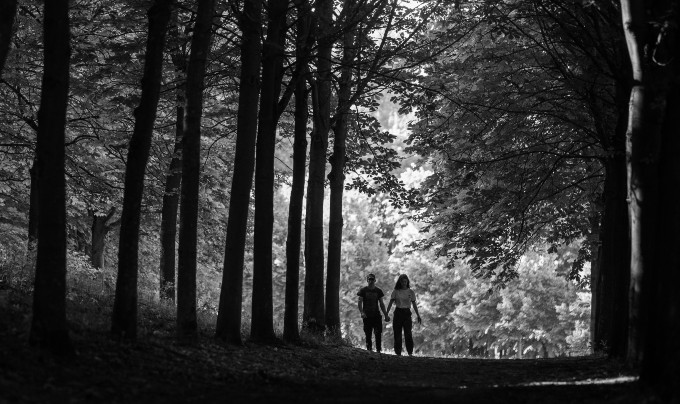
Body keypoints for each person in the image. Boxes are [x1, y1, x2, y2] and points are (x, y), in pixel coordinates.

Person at [386, 274, 421, 356]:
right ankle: (398, 353)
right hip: (398, 312)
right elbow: (390, 303)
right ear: (400, 282)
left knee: (408, 333)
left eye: (405, 281)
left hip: (407, 313)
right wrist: (386, 314)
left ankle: (410, 352)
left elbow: (414, 304)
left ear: (407, 282)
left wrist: (418, 315)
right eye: (402, 281)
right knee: (397, 334)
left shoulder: (411, 292)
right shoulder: (396, 291)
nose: (404, 283)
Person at [357, 273, 390, 353]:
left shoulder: (378, 291)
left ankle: (378, 350)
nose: (371, 281)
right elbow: (359, 302)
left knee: (378, 333)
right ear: (367, 280)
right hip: (367, 316)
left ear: (375, 280)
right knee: (368, 334)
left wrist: (386, 314)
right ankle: (369, 351)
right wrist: (361, 312)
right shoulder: (363, 290)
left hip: (376, 315)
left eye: (372, 279)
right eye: (369, 279)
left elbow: (381, 303)